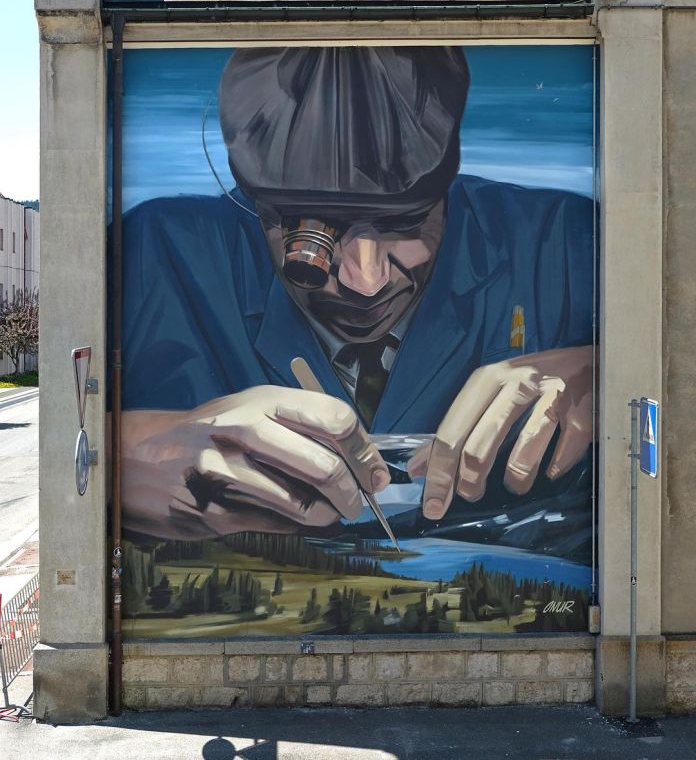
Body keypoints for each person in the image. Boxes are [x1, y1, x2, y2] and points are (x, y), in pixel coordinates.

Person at [120, 47, 594, 542]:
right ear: (255, 207)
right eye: (313, 236)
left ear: (445, 196)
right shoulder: (160, 255)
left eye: (405, 223)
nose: (365, 283)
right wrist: (128, 453)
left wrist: (610, 375)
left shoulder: (559, 243)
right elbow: (69, 428)